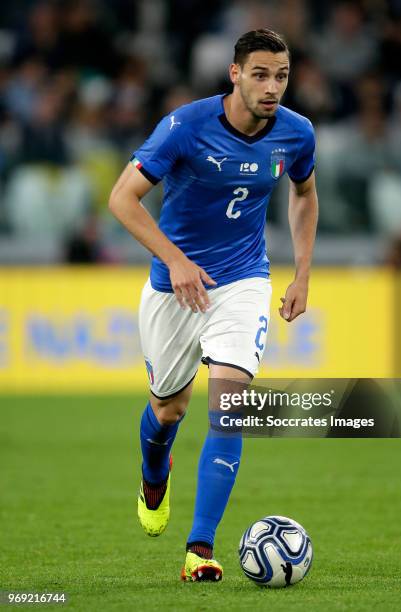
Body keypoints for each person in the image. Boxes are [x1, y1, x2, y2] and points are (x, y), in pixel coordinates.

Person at [108, 28, 319, 582]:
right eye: (260, 75)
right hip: (174, 287)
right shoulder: (185, 126)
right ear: (234, 74)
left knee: (230, 404)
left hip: (243, 280)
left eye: (281, 76)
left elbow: (304, 193)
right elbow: (121, 199)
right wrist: (176, 261)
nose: (272, 87)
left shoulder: (296, 134)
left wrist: (301, 272)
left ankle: (200, 549)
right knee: (166, 412)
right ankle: (155, 476)